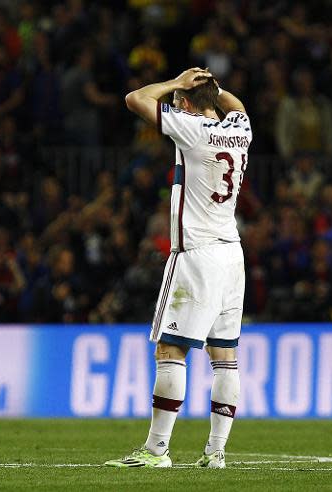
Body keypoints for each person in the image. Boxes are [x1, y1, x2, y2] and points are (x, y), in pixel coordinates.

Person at [105, 68, 250, 468]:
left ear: (186, 104)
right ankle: (216, 452)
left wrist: (177, 82)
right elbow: (235, 105)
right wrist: (213, 88)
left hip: (197, 253)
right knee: (225, 356)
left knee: (171, 349)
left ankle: (156, 451)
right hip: (232, 255)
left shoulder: (192, 128)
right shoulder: (240, 128)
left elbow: (135, 98)